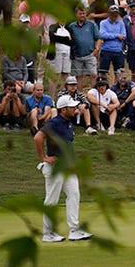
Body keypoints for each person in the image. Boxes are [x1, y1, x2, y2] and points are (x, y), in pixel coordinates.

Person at [34, 94, 93, 243]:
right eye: (72, 107)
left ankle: (74, 230)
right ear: (63, 109)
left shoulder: (68, 123)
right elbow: (38, 137)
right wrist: (44, 158)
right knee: (52, 199)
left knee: (74, 194)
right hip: (55, 167)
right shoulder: (55, 123)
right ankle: (48, 233)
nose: (75, 109)